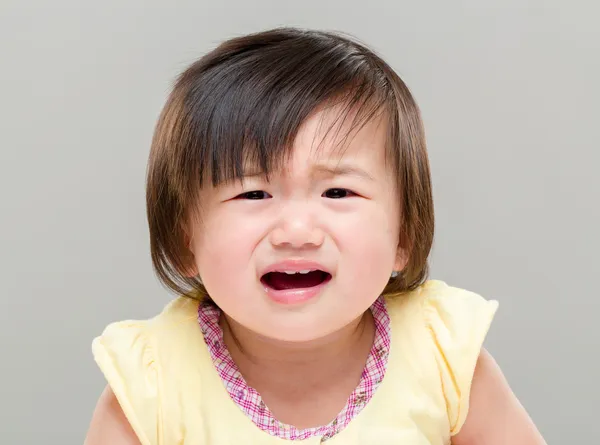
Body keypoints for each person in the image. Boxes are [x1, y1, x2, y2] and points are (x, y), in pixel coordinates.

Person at [84, 27, 546, 445]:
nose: (296, 232)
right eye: (254, 194)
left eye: (338, 191)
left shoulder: (442, 354)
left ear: (403, 233)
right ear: (186, 239)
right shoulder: (152, 384)